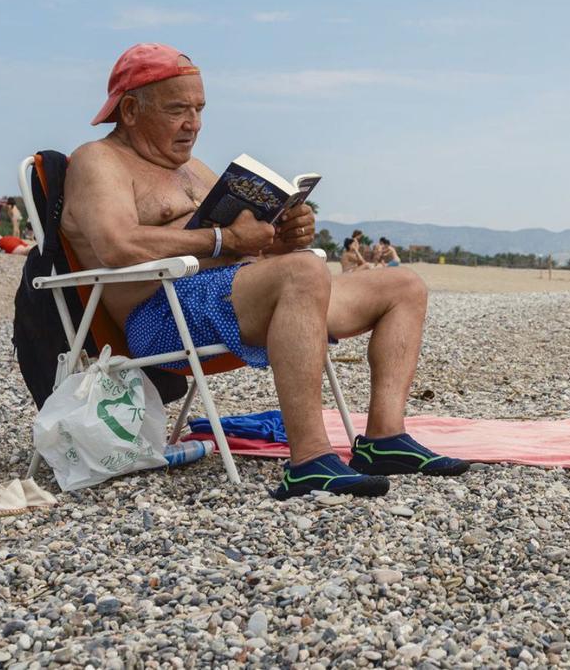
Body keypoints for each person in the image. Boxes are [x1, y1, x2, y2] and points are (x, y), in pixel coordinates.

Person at [60, 42, 467, 499]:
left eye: (199, 109)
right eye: (178, 110)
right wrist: (228, 241)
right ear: (130, 110)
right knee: (303, 273)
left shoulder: (193, 169)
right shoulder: (99, 160)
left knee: (402, 285)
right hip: (162, 316)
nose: (192, 124)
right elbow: (117, 245)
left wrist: (284, 235)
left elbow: (245, 249)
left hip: (231, 296)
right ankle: (310, 460)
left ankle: (384, 439)